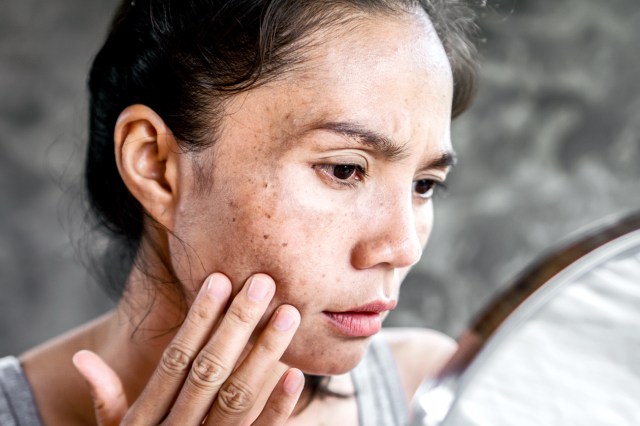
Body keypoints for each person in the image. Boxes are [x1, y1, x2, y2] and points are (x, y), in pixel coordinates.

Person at [0, 0, 479, 424]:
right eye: (343, 169)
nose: (403, 248)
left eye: (424, 184)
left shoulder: (436, 396)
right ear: (157, 167)